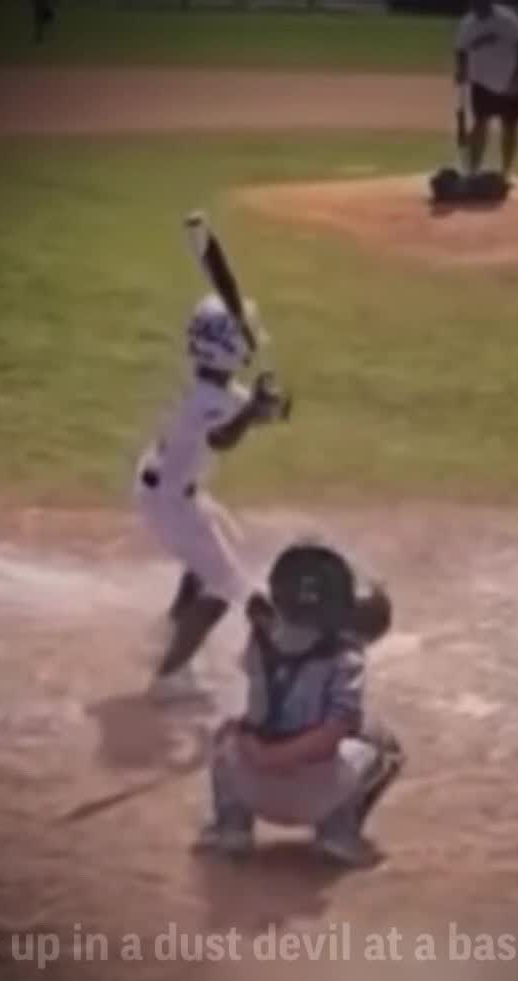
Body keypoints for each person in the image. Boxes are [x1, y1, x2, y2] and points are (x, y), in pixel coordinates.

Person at [194, 542, 402, 868]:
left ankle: (230, 830)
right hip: (314, 794)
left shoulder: (258, 640)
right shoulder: (347, 655)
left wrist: (260, 751)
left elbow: (265, 692)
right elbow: (333, 731)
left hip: (249, 781)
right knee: (387, 748)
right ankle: (338, 835)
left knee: (224, 731)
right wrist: (278, 758)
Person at [134, 291, 290, 701]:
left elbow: (258, 411)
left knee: (222, 546)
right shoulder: (209, 402)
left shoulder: (210, 388)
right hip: (170, 503)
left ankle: (175, 625)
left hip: (169, 490)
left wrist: (270, 404)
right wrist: (254, 411)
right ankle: (169, 677)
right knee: (226, 586)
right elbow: (223, 437)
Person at [453, 0, 518, 179]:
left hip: (510, 82)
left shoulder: (508, 20)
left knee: (510, 127)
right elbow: (460, 50)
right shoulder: (467, 24)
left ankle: (506, 171)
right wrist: (461, 69)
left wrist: (517, 77)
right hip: (480, 82)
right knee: (480, 124)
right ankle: (473, 170)